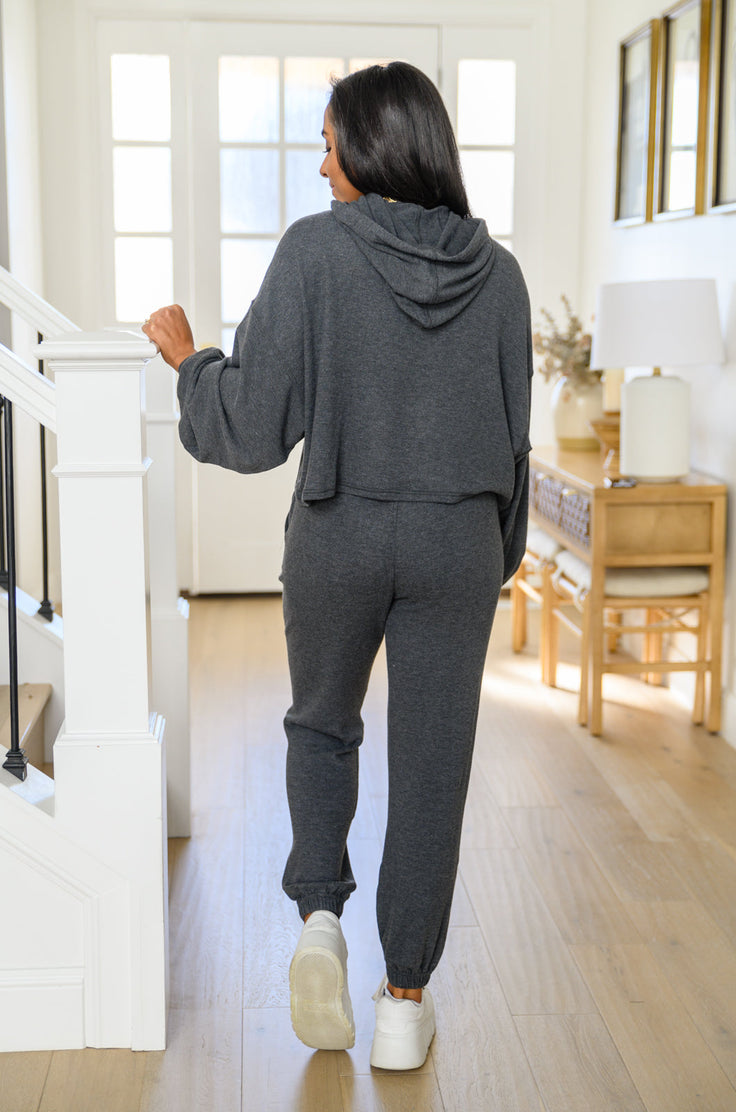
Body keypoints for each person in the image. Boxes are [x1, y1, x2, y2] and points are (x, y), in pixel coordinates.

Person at [143, 60, 532, 1072]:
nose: (321, 167)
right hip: (456, 540)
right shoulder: (500, 275)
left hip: (339, 528)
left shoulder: (315, 253)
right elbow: (514, 441)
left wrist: (189, 362)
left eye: (328, 145)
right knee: (434, 762)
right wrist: (491, 559)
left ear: (371, 146)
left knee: (322, 725)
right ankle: (404, 1002)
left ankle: (320, 920)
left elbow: (250, 423)